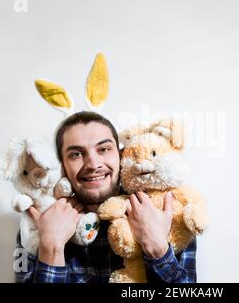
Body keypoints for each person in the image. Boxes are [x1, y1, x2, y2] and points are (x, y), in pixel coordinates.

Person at [15, 111, 197, 283]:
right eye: (76, 154)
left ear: (120, 154)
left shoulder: (166, 212)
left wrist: (158, 248)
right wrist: (50, 247)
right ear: (61, 166)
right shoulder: (40, 224)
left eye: (103, 149)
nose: (93, 164)